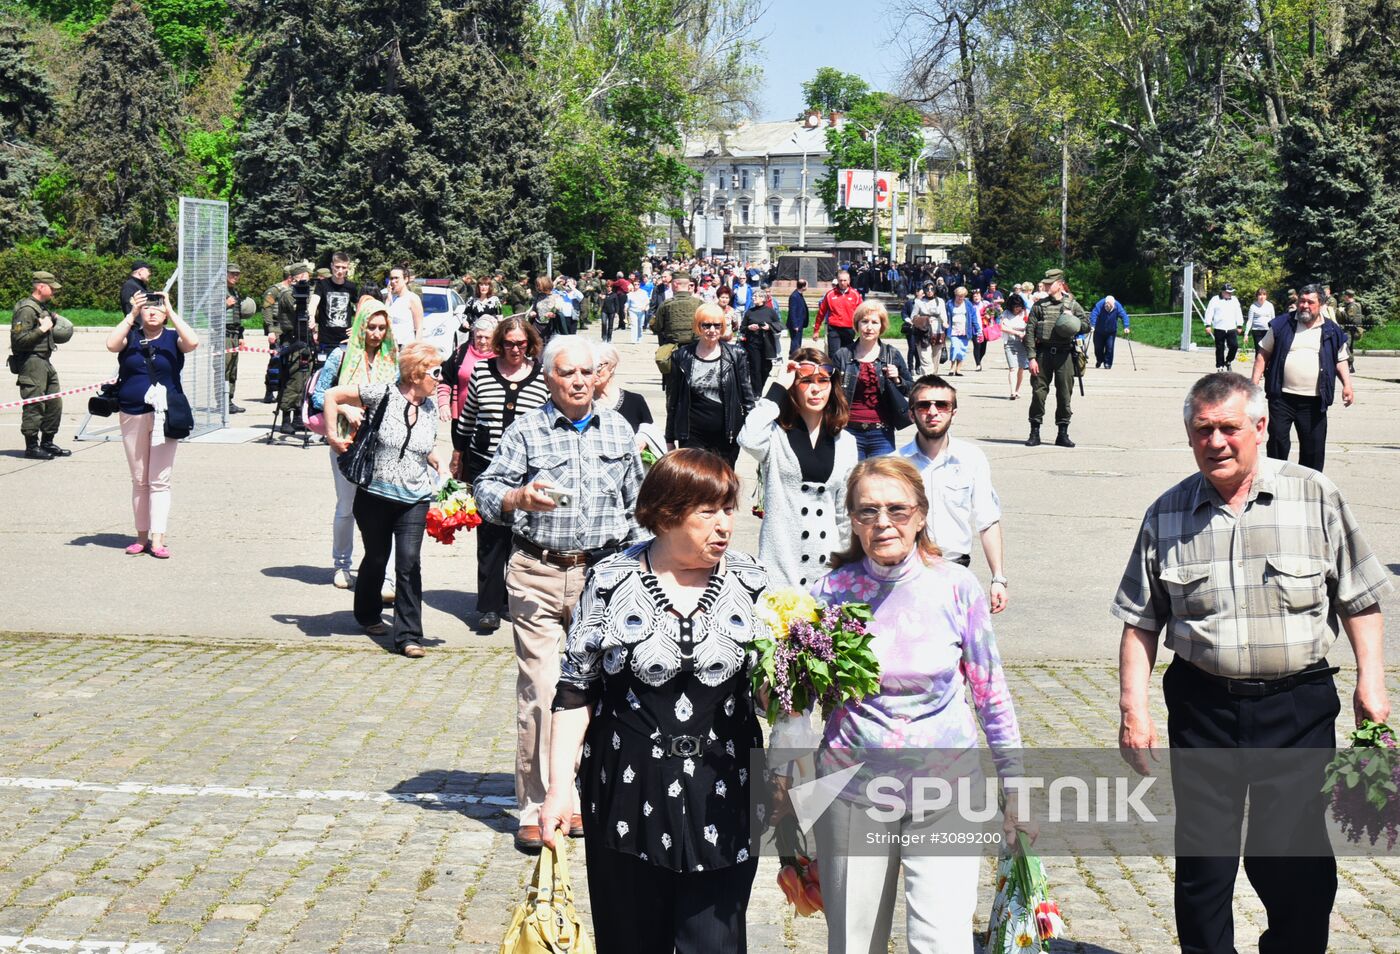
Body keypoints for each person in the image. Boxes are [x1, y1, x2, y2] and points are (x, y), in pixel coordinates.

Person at [1114, 371, 1391, 954]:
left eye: (1229, 429)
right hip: (1202, 707)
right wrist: (1132, 710)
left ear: (1261, 428)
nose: (1216, 442)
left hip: (1298, 708)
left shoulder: (1316, 496)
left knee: (1294, 859)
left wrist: (1373, 686)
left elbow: (1360, 598)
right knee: (1204, 867)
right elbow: (1141, 621)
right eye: (1202, 430)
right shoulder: (1166, 515)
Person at [541, 450, 767, 951]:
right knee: (630, 941)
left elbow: (774, 699)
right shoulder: (610, 579)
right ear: (666, 513)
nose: (724, 524)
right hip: (626, 793)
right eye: (707, 512)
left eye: (728, 509)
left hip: (726, 795)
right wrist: (559, 788)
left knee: (715, 943)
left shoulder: (753, 582)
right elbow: (576, 690)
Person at [812, 456, 1022, 954]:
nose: (883, 523)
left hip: (946, 788)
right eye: (867, 512)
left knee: (942, 942)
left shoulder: (956, 586)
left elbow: (990, 692)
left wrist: (1016, 787)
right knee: (854, 942)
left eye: (897, 510)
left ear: (921, 514)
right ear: (852, 519)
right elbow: (800, 703)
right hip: (851, 788)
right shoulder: (829, 592)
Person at [474, 334, 645, 851]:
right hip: (538, 572)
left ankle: (578, 798)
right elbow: (483, 491)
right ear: (548, 377)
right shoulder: (525, 430)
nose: (577, 381)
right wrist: (516, 496)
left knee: (600, 693)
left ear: (599, 377)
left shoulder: (618, 428)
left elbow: (639, 506)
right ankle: (536, 806)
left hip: (603, 576)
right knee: (544, 690)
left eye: (585, 373)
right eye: (566, 373)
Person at [324, 342, 447, 658]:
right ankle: (367, 613)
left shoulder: (431, 408)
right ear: (416, 373)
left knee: (408, 564)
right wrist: (331, 435)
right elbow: (332, 395)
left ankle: (408, 636)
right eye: (435, 372)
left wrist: (435, 459)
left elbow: (420, 444)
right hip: (375, 496)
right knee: (376, 556)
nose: (440, 378)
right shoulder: (384, 394)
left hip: (415, 498)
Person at [451, 316, 549, 633]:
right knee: (490, 536)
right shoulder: (482, 371)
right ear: (499, 343)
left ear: (530, 343)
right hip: (485, 464)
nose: (515, 349)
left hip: (526, 468)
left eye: (521, 344)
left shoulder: (542, 377)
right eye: (509, 343)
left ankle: (510, 600)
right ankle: (489, 606)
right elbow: (467, 417)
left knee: (520, 536)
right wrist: (458, 453)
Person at [738, 348, 857, 589]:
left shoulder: (846, 442)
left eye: (823, 381)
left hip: (827, 564)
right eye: (806, 381)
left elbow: (845, 512)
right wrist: (779, 386)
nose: (816, 389)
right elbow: (748, 438)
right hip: (781, 560)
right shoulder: (774, 435)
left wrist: (849, 560)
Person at [898, 374, 1008, 612]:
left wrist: (998, 577)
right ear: (911, 413)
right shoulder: (896, 464)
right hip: (904, 576)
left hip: (954, 574)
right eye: (924, 405)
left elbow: (987, 520)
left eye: (942, 405)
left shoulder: (972, 458)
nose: (933, 411)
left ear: (953, 413)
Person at [105, 289, 200, 557]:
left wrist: (171, 310)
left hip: (165, 416)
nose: (152, 312)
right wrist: (131, 314)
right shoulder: (131, 336)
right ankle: (140, 536)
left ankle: (158, 539)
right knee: (139, 479)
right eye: (147, 308)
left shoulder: (172, 338)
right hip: (132, 412)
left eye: (157, 309)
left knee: (160, 479)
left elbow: (192, 342)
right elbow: (112, 344)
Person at [313, 298, 399, 591]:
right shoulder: (341, 356)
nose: (376, 334)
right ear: (360, 327)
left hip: (382, 444)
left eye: (381, 328)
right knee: (346, 506)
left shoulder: (392, 361)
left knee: (384, 510)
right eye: (370, 327)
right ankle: (342, 565)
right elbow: (318, 395)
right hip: (345, 440)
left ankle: (385, 574)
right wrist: (344, 409)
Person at [1250, 283, 1354, 472]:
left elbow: (1341, 359)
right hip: (1282, 398)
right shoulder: (1282, 324)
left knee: (1313, 449)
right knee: (1277, 442)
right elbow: (1262, 354)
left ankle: (1310, 488)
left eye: (1310, 302)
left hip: (1315, 402)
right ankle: (1275, 482)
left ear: (1321, 303)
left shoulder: (1332, 330)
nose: (1305, 305)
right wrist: (1253, 385)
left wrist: (1347, 385)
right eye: (1302, 301)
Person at [665, 302, 755, 466]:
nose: (712, 330)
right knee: (693, 484)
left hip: (726, 435)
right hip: (691, 434)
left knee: (722, 485)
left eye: (717, 325)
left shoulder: (736, 355)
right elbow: (673, 400)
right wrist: (670, 438)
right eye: (706, 325)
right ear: (698, 327)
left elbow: (747, 397)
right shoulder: (681, 356)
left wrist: (753, 430)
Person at [833, 300, 913, 460]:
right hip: (848, 431)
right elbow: (828, 392)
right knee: (850, 482)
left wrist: (898, 380)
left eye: (875, 322)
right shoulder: (842, 355)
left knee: (880, 480)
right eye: (864, 321)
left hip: (881, 432)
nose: (869, 327)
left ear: (881, 326)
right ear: (857, 325)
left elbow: (912, 390)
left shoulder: (891, 354)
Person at [10, 272, 71, 460]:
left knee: (54, 403)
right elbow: (19, 341)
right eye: (51, 287)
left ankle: (47, 442)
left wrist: (52, 321)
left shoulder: (39, 307)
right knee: (34, 404)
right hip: (31, 362)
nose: (53, 291)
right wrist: (42, 329)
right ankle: (31, 447)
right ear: (40, 287)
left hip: (44, 360)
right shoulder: (26, 310)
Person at [1025, 268, 1089, 448]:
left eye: (1049, 283)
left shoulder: (1072, 305)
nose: (1045, 285)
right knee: (1038, 393)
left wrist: (1073, 321)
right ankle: (1034, 431)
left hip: (1065, 354)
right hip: (1043, 354)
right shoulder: (1039, 306)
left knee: (1064, 395)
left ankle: (1062, 433)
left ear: (1060, 284)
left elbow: (1086, 326)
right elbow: (1029, 332)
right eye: (1044, 282)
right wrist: (1031, 357)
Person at [437, 315, 497, 424]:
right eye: (479, 336)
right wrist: (444, 404)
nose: (482, 341)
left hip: (491, 421)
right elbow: (445, 379)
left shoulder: (501, 356)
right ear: (473, 334)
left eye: (487, 337)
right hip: (461, 419)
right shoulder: (462, 351)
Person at [593, 341, 653, 434]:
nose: (594, 372)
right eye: (590, 367)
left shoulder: (635, 401)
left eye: (598, 366)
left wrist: (643, 440)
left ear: (612, 367)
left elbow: (650, 432)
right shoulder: (584, 404)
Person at [307, 252, 359, 354]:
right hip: (326, 339)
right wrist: (311, 316)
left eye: (343, 267)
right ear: (332, 266)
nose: (340, 271)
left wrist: (356, 326)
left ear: (348, 268)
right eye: (337, 267)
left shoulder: (351, 287)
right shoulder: (322, 284)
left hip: (345, 340)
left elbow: (360, 307)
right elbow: (313, 303)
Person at [223, 263, 254, 414]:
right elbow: (208, 313)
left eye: (237, 274)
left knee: (232, 370)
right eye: (232, 274)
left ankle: (229, 400)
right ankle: (222, 402)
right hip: (223, 335)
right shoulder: (219, 291)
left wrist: (240, 336)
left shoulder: (234, 291)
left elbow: (237, 318)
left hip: (234, 334)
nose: (235, 276)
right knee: (223, 370)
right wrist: (225, 305)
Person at [740, 287, 782, 389]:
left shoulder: (770, 311)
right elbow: (742, 328)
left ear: (763, 298)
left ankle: (760, 386)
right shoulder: (749, 312)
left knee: (766, 367)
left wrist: (769, 327)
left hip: (767, 343)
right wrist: (749, 327)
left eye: (756, 296)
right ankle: (756, 392)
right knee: (755, 367)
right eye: (753, 296)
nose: (753, 298)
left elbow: (779, 325)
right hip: (752, 343)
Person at [814, 269, 862, 358]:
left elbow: (862, 313)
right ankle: (834, 371)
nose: (843, 283)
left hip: (849, 329)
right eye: (840, 280)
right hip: (834, 329)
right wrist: (816, 330)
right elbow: (821, 313)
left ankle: (846, 371)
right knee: (834, 355)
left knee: (847, 355)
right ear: (837, 280)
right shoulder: (830, 295)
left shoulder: (855, 295)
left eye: (845, 280)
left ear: (849, 280)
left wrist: (861, 328)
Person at [1203, 283, 1243, 372]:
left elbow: (1238, 312)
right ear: (1223, 292)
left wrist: (1239, 325)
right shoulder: (1215, 299)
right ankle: (1219, 366)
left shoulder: (1235, 300)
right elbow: (1209, 312)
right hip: (1219, 327)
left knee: (1234, 346)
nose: (1230, 294)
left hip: (1231, 327)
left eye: (1231, 292)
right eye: (1228, 292)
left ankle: (1228, 361)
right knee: (1220, 348)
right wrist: (1208, 325)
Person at [907, 281, 946, 374]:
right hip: (923, 333)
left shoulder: (940, 301)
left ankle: (933, 380)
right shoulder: (918, 302)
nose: (930, 291)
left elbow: (944, 314)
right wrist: (924, 320)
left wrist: (945, 322)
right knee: (926, 360)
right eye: (927, 289)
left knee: (935, 360)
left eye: (932, 289)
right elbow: (913, 317)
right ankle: (927, 379)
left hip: (938, 332)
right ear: (924, 290)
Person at [943, 286, 980, 375]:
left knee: (962, 350)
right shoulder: (949, 304)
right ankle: (952, 367)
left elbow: (973, 317)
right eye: (959, 296)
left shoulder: (968, 304)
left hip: (965, 330)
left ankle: (958, 369)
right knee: (955, 347)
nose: (960, 298)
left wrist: (978, 328)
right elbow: (944, 315)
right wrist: (944, 323)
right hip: (953, 330)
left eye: (962, 296)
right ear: (955, 295)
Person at [1088, 294, 1131, 369]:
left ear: (1113, 305)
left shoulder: (1117, 306)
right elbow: (1094, 314)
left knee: (1110, 348)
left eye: (1109, 306)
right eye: (1106, 305)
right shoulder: (1100, 304)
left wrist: (1126, 327)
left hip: (1111, 331)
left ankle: (1107, 363)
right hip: (1098, 331)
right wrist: (1092, 325)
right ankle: (1099, 360)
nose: (1106, 307)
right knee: (1098, 348)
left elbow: (1124, 316)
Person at [999, 294, 1030, 400]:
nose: (1018, 309)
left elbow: (1030, 326)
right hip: (1010, 342)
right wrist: (1017, 332)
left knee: (1021, 368)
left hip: (1023, 343)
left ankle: (1017, 390)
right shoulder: (1006, 313)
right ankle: (1012, 392)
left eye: (1019, 306)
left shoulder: (1025, 313)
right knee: (1013, 368)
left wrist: (1024, 335)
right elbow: (1002, 327)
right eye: (1015, 307)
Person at [385, 266, 423, 346]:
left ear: (405, 279)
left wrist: (416, 348)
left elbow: (419, 328)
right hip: (390, 346)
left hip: (405, 346)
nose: (393, 281)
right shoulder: (392, 299)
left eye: (396, 278)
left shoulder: (412, 298)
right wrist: (389, 297)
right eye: (391, 278)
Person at [524, 276, 565, 345]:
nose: (537, 287)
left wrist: (554, 314)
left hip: (550, 328)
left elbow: (559, 312)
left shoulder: (557, 297)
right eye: (537, 285)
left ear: (545, 285)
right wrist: (532, 313)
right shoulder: (538, 296)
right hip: (537, 327)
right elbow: (533, 309)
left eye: (538, 285)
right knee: (537, 349)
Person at [1338, 288, 1364, 373]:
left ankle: (1350, 364)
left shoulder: (1352, 306)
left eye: (1344, 296)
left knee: (1346, 347)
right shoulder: (1355, 304)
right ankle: (1350, 366)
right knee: (1349, 347)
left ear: (1347, 296)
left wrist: (1342, 312)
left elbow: (1349, 319)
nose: (1343, 298)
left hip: (1350, 330)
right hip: (1353, 330)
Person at [786, 278, 810, 358]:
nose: (807, 287)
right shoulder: (794, 296)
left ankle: (796, 354)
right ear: (803, 286)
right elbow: (792, 311)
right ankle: (794, 356)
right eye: (806, 285)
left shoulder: (799, 294)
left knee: (798, 341)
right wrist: (795, 325)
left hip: (800, 322)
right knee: (795, 341)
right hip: (796, 324)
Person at [1246, 288, 1275, 352]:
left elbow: (1273, 319)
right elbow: (1250, 321)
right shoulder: (1253, 306)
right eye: (1260, 295)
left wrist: (1274, 331)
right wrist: (1246, 334)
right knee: (1259, 351)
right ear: (1257, 296)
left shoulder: (1270, 305)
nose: (1262, 297)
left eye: (1264, 294)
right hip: (1257, 331)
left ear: (1266, 296)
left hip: (1268, 331)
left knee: (1268, 351)